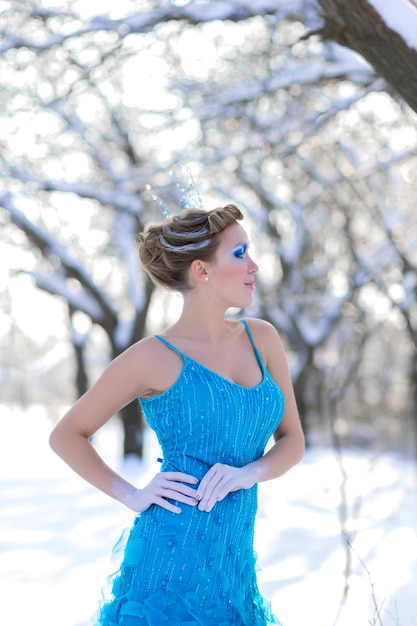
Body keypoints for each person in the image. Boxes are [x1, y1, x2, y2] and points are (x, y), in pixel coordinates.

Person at [49, 200, 305, 626]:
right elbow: (66, 434)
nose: (254, 266)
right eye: (240, 254)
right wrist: (132, 495)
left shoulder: (263, 339)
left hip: (234, 565)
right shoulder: (152, 357)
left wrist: (249, 473)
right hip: (167, 569)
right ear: (201, 271)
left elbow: (293, 441)